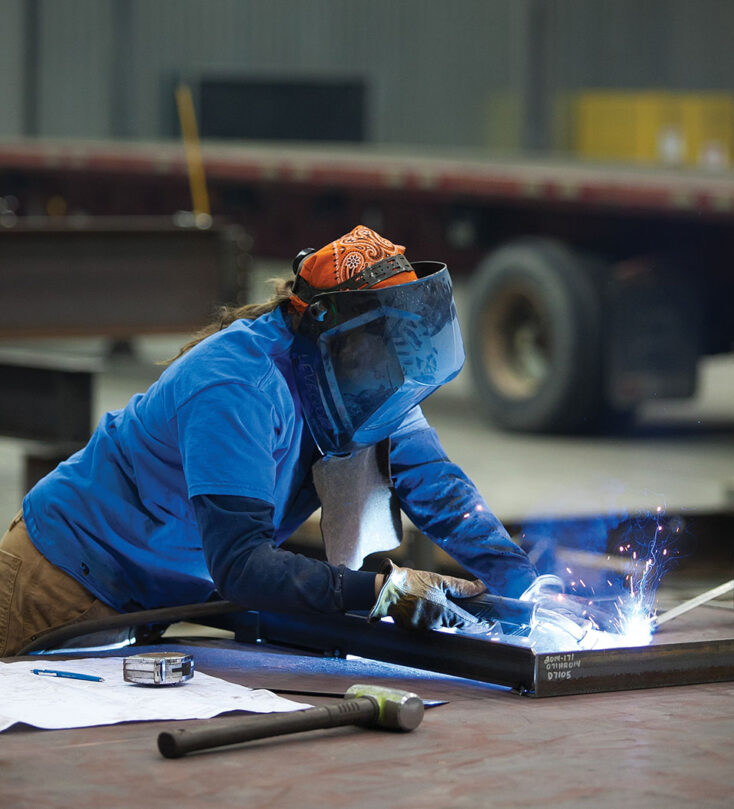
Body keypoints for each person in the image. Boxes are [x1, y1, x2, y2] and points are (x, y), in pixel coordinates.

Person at [0, 225, 537, 657]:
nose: (393, 368)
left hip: (154, 593)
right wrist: (383, 593)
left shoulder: (364, 380)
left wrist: (521, 583)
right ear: (334, 334)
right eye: (382, 347)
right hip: (61, 581)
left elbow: (434, 483)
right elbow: (242, 565)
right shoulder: (238, 388)